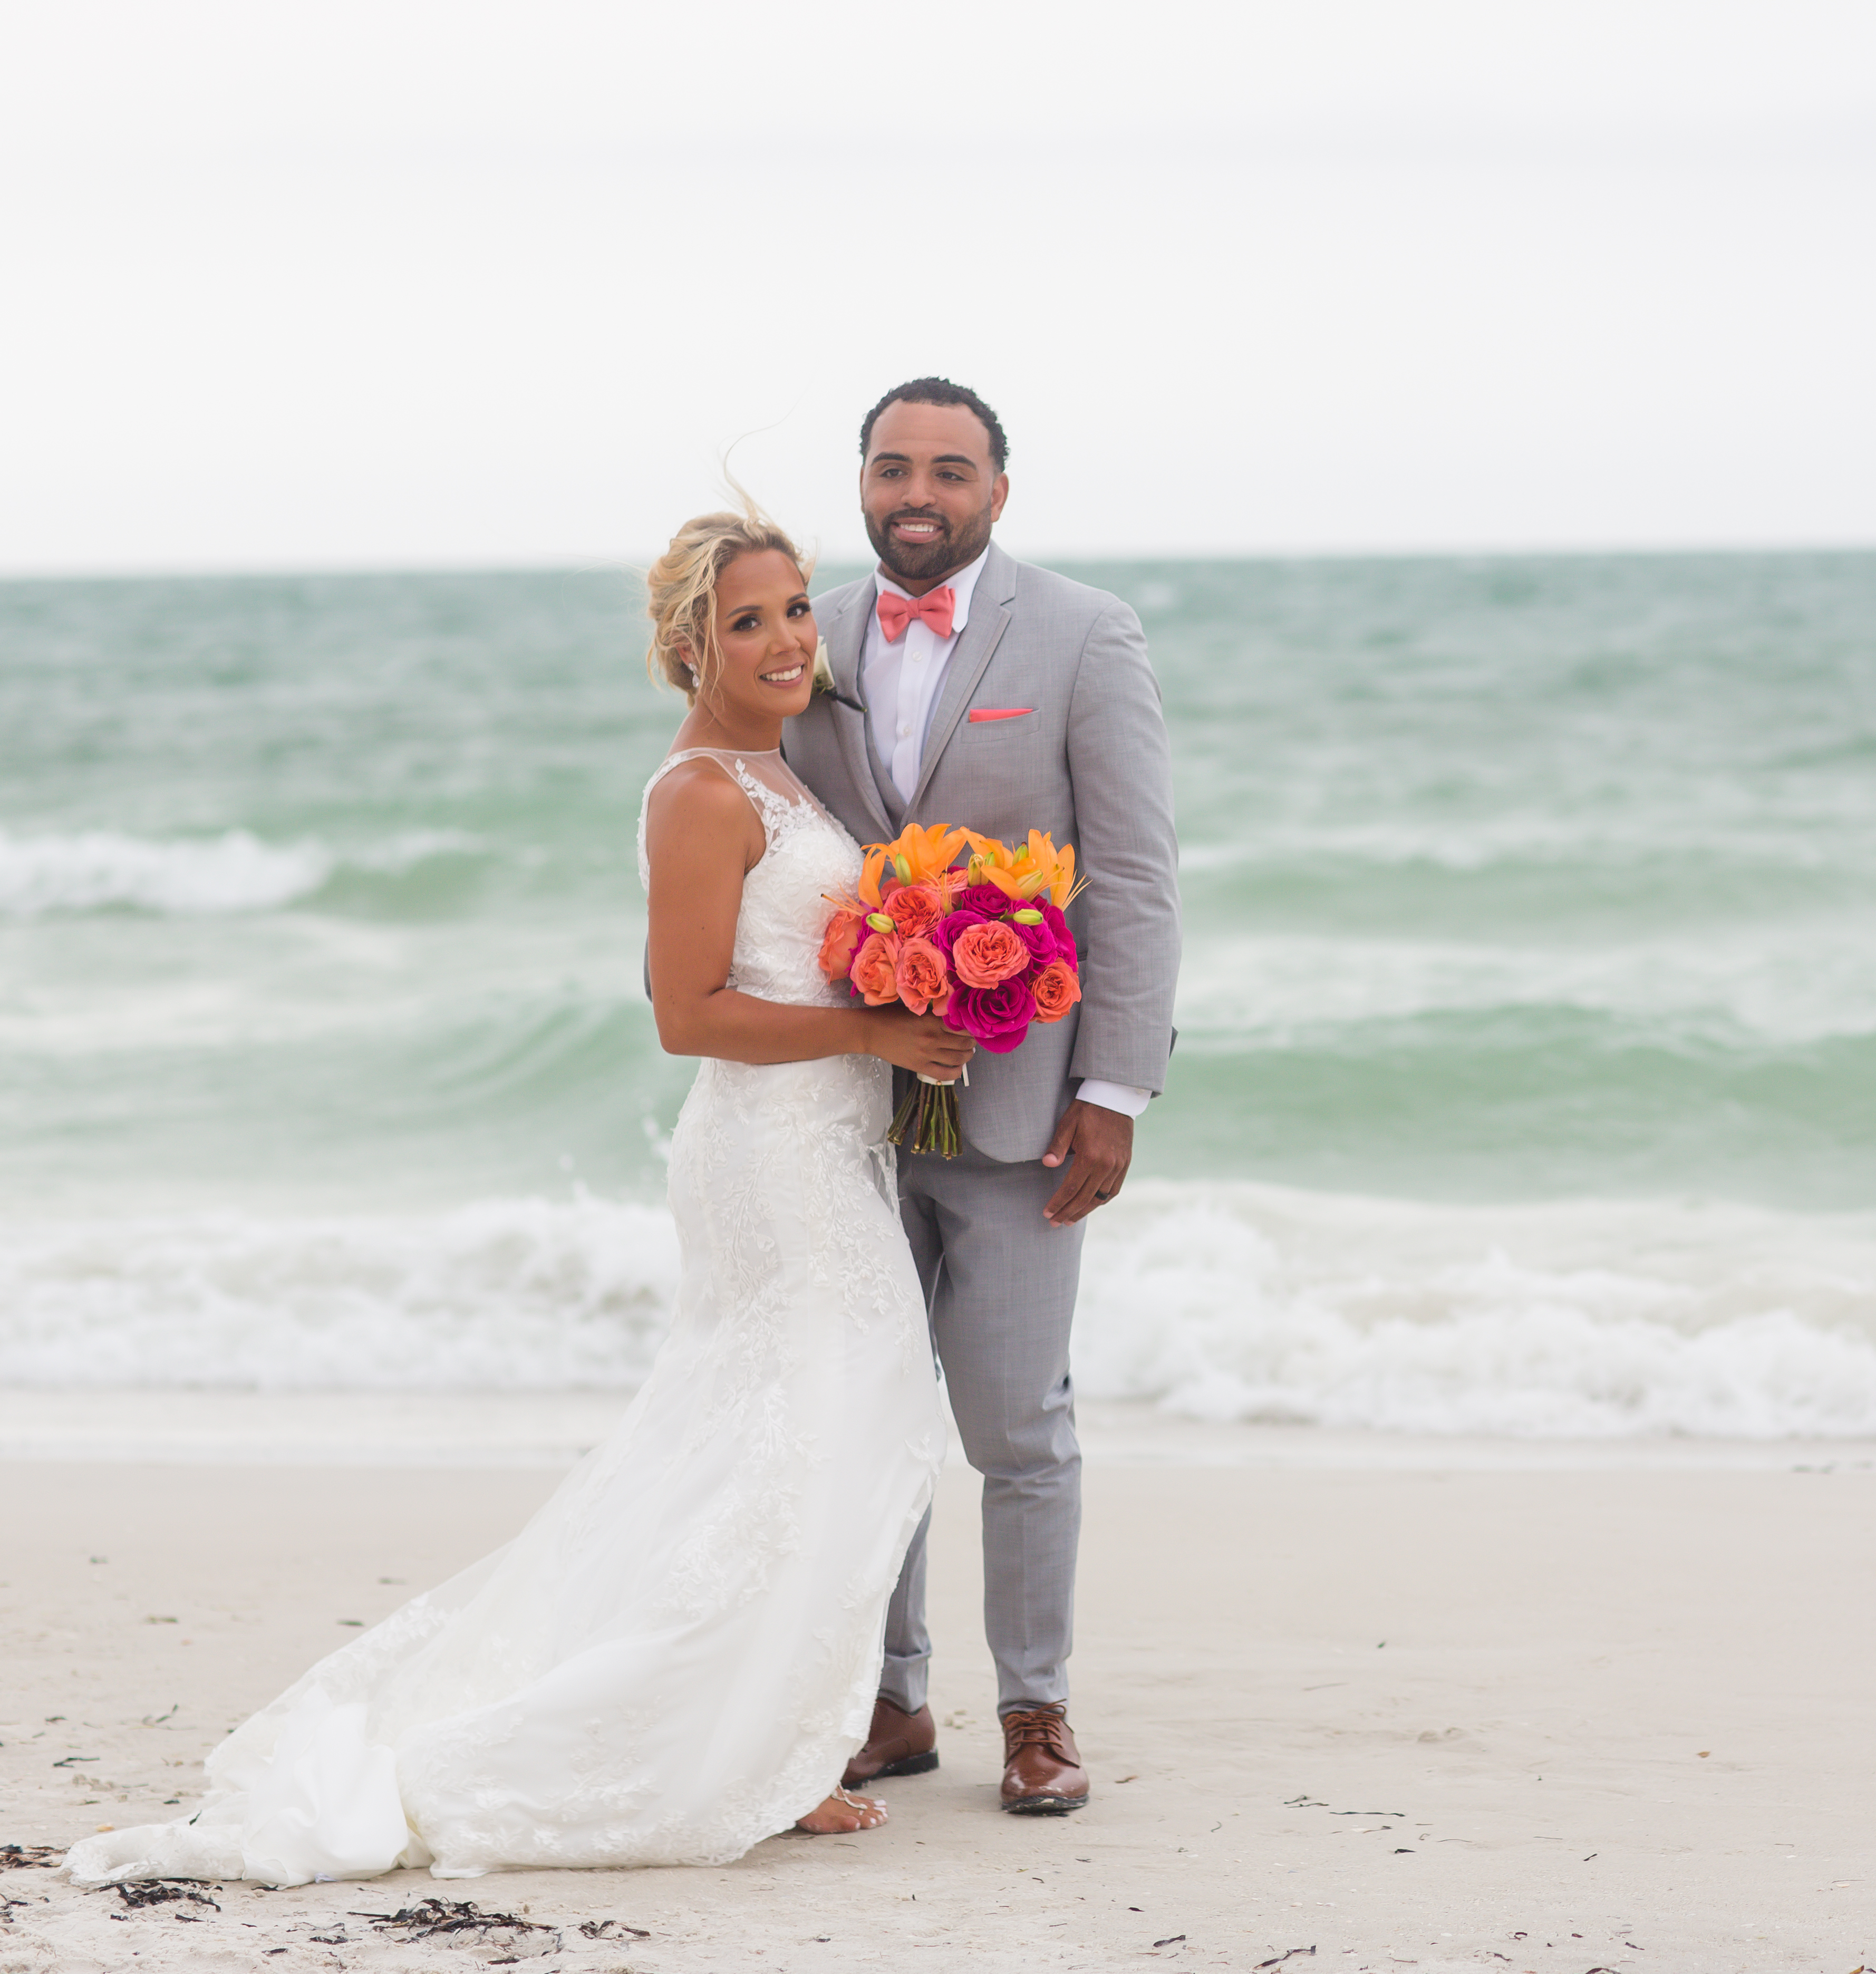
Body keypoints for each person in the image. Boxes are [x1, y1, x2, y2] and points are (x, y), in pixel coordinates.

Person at [67, 510, 965, 1886]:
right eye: (748, 621)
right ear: (689, 647)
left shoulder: (777, 775)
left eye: (795, 611)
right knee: (792, 1448)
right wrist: (872, 1036)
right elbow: (687, 1014)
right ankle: (732, 1756)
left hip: (827, 1148)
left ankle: (772, 1739)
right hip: (768, 1164)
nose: (787, 640)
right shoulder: (701, 795)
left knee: (791, 1440)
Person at [783, 378, 1181, 1814]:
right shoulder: (804, 638)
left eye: (950, 471)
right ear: (864, 481)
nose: (918, 495)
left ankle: (1036, 1711)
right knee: (869, 1416)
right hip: (839, 1109)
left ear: (999, 491)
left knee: (1020, 1425)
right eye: (893, 468)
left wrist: (1117, 1085)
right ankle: (889, 1701)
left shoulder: (1082, 635)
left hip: (1025, 1110)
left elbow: (1132, 875)